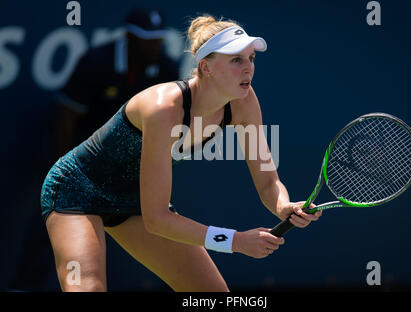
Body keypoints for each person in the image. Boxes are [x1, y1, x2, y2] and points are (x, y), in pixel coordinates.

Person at [40, 15, 322, 292]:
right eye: (236, 59)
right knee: (87, 287)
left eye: (251, 59)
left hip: (134, 201)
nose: (248, 68)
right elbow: (157, 219)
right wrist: (234, 241)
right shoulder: (164, 108)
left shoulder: (244, 103)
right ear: (206, 67)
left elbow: (268, 183)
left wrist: (284, 206)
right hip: (78, 191)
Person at [54, 7, 180, 157]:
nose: (154, 47)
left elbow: (168, 126)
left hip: (134, 155)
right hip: (87, 149)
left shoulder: (166, 69)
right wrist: (67, 172)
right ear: (130, 37)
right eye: (147, 40)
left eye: (158, 40)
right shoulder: (96, 62)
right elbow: (67, 121)